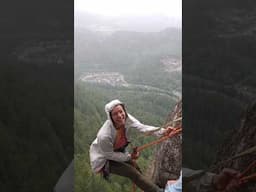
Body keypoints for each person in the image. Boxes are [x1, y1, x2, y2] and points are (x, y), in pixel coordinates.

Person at [89, 99, 170, 192]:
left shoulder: (127, 119)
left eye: (121, 111)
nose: (120, 115)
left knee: (135, 167)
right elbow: (109, 155)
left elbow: (142, 127)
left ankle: (148, 187)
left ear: (124, 111)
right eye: (115, 114)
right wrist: (129, 156)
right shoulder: (104, 136)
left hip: (116, 151)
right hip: (104, 159)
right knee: (132, 172)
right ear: (110, 117)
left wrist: (163, 131)